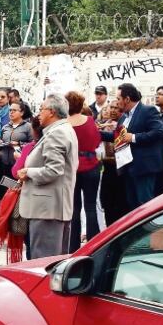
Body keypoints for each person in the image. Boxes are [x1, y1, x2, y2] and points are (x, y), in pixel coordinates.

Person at [16, 94, 78, 259]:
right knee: (54, 260)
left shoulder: (57, 133)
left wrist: (28, 172)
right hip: (53, 207)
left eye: (42, 110)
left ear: (51, 112)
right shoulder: (62, 130)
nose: (39, 114)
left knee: (44, 261)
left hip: (47, 210)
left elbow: (53, 170)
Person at [98, 83, 163, 210]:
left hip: (144, 167)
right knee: (132, 204)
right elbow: (118, 137)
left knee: (145, 205)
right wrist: (98, 133)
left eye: (118, 99)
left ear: (127, 99)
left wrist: (134, 137)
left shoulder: (148, 110)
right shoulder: (124, 117)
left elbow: (159, 132)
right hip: (128, 167)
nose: (117, 103)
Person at [66, 91, 102, 252]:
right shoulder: (89, 120)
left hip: (73, 168)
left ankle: (73, 245)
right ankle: (94, 243)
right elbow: (96, 140)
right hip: (92, 166)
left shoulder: (65, 124)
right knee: (90, 206)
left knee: (74, 208)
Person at [0, 103, 34, 204]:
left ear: (22, 112)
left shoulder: (28, 127)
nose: (11, 112)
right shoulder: (5, 127)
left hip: (18, 163)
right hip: (4, 162)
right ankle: (2, 205)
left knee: (15, 189)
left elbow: (33, 144)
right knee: (3, 186)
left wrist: (19, 143)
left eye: (14, 110)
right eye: (10, 110)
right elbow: (1, 139)